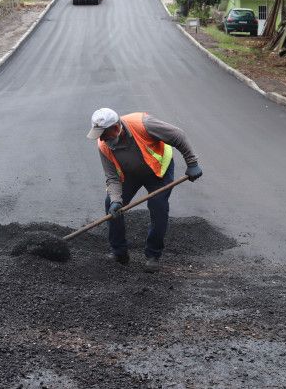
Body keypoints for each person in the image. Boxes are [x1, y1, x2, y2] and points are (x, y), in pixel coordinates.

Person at [87, 108, 203, 273]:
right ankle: (119, 252)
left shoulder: (142, 124)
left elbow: (178, 135)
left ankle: (153, 255)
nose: (102, 138)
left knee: (158, 206)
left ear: (115, 127)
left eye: (104, 134)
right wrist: (115, 200)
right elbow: (112, 178)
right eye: (99, 135)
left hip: (158, 171)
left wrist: (192, 162)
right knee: (110, 205)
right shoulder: (103, 145)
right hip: (130, 174)